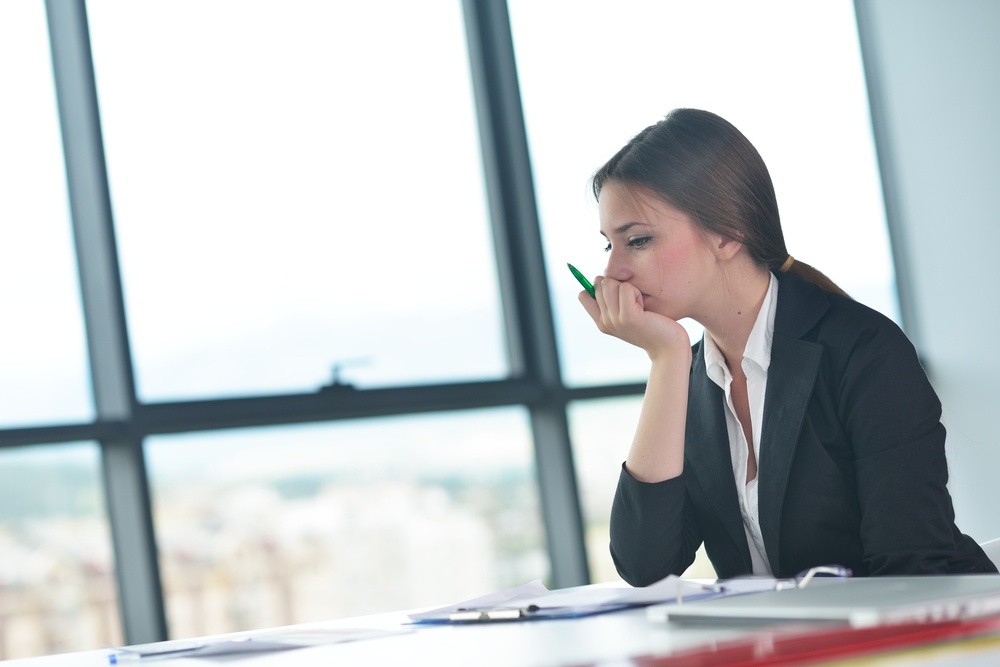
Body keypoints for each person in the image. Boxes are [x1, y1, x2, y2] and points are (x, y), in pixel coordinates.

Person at [577, 108, 996, 585]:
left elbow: (913, 568)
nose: (613, 273)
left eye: (638, 240)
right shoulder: (691, 376)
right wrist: (666, 360)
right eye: (609, 246)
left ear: (726, 234)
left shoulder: (864, 350)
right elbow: (645, 567)